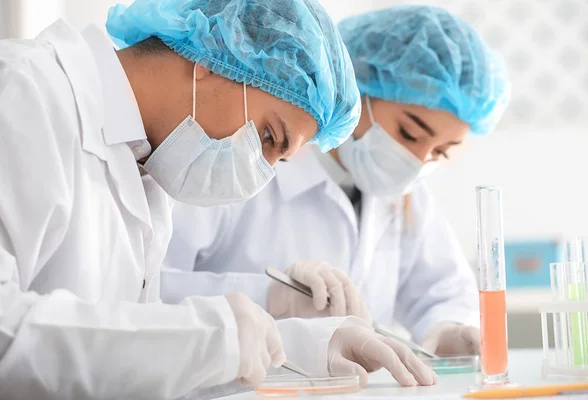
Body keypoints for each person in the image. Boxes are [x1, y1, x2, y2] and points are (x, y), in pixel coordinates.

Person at [0, 0, 397, 398]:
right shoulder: (21, 91)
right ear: (215, 59)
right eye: (268, 137)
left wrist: (302, 346)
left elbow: (123, 350)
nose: (260, 171)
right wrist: (211, 340)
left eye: (280, 158)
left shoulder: (146, 162)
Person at [162, 3, 510, 368]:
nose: (418, 161)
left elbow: (443, 290)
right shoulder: (239, 162)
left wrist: (450, 326)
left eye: (441, 151)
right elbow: (150, 291)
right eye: (409, 133)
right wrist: (270, 297)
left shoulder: (406, 197)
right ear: (359, 90)